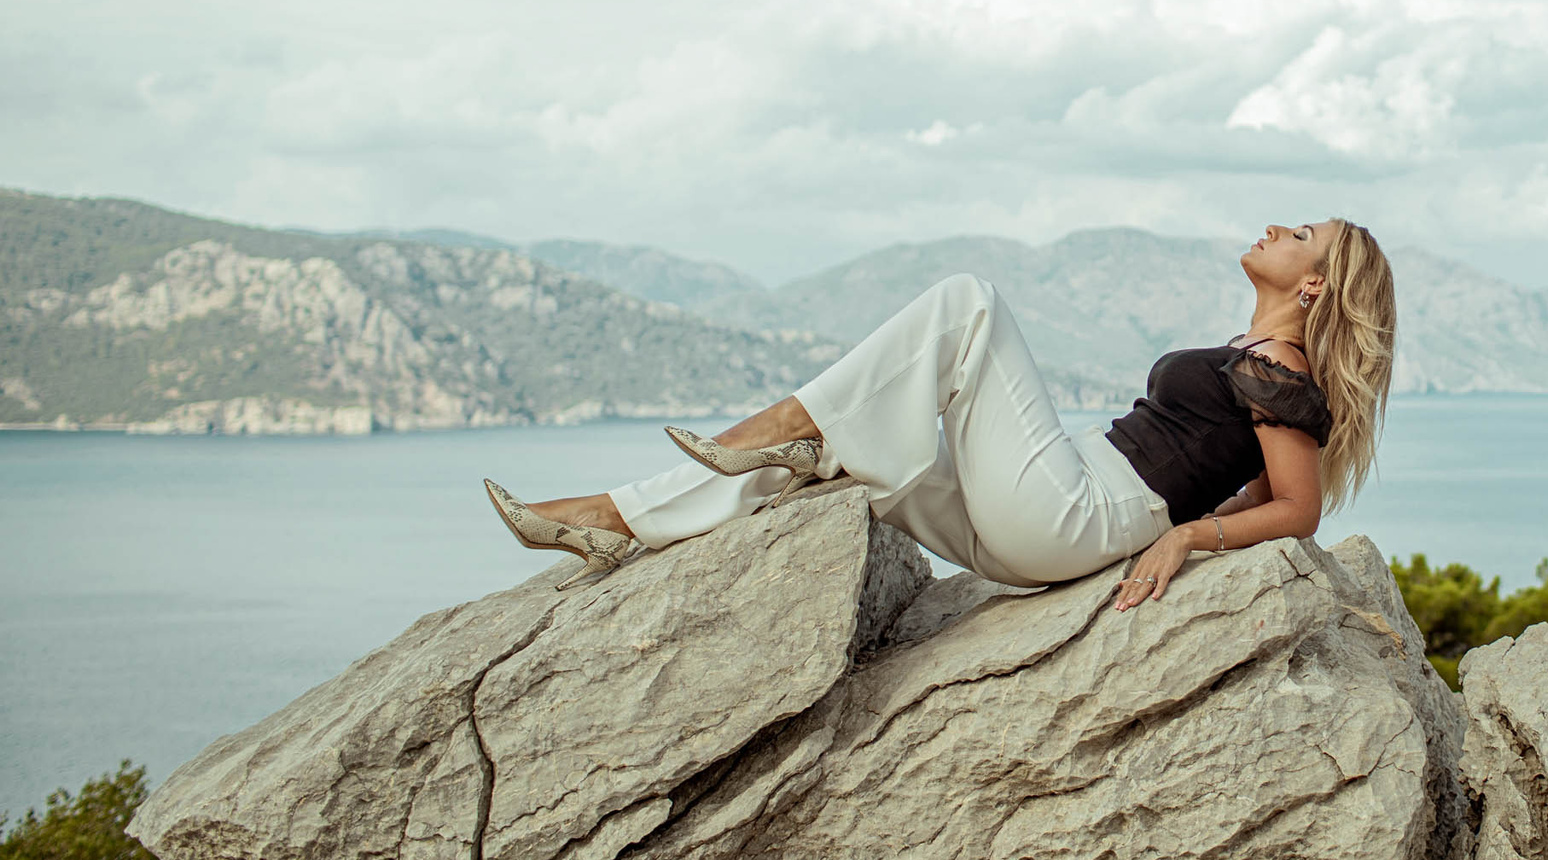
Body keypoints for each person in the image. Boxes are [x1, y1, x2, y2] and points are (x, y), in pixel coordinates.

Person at [483, 220, 1395, 613]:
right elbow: (1251, 488)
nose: (1276, 227)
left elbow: (1297, 506)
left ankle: (768, 426)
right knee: (832, 463)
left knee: (969, 301)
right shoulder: (1254, 355)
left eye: (1300, 235)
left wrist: (1185, 538)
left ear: (1313, 286)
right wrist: (1195, 518)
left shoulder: (1282, 368)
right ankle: (621, 522)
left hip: (1078, 512)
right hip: (1046, 523)